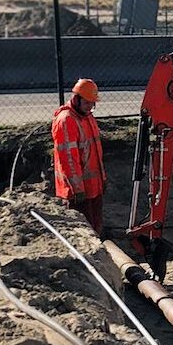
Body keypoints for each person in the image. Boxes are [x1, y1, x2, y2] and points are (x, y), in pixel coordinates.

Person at [52, 78, 106, 237]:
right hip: (78, 191)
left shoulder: (87, 116)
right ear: (77, 99)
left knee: (96, 226)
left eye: (92, 103)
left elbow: (95, 152)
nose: (90, 106)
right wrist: (77, 189)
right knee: (84, 232)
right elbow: (68, 160)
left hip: (93, 187)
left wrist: (101, 179)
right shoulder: (66, 120)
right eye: (87, 102)